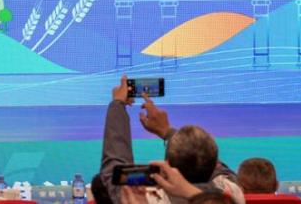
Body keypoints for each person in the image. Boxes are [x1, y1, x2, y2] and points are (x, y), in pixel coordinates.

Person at [99, 76, 244, 204]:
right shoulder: (232, 193)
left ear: (167, 167)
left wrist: (117, 104)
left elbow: (113, 169)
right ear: (215, 164)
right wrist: (167, 131)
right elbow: (212, 163)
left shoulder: (142, 199)